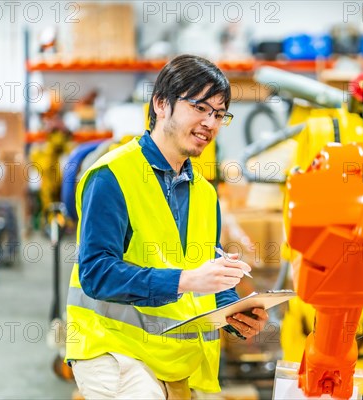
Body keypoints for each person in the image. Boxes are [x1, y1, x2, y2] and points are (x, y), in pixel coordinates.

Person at [66, 54, 269, 399]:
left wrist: (235, 313)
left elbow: (208, 273)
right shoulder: (112, 176)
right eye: (200, 108)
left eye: (219, 114)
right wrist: (186, 280)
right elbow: (97, 273)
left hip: (177, 357)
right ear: (161, 104)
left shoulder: (204, 194)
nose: (211, 122)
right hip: (113, 349)